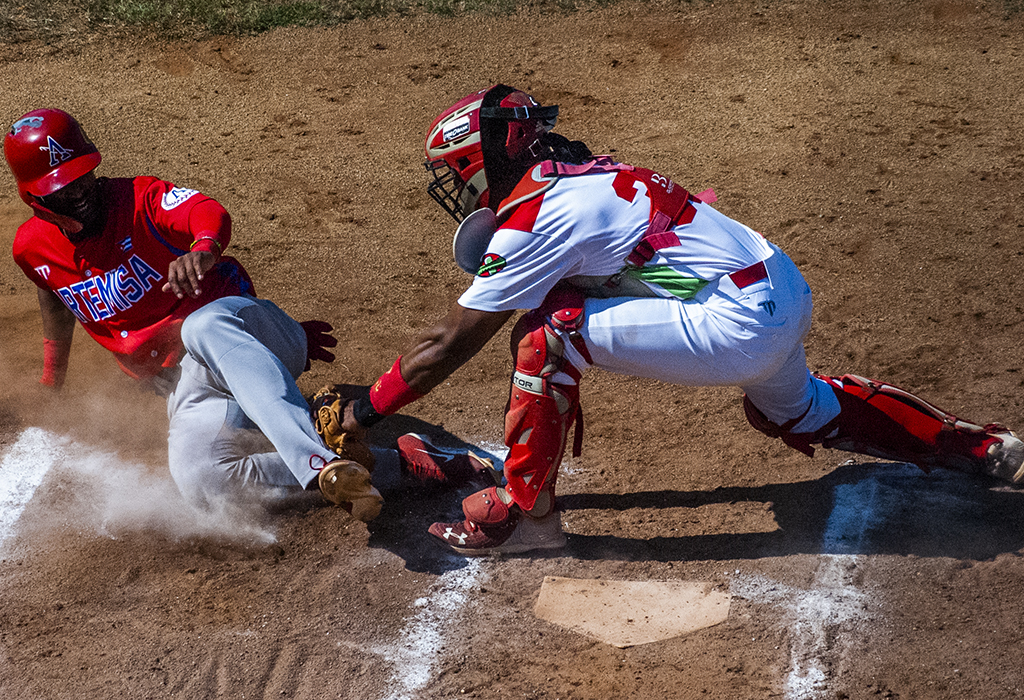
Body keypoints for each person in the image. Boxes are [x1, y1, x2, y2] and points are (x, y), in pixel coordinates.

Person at [335, 84, 1024, 555]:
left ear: (478, 159)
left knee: (546, 339)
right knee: (803, 410)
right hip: (776, 283)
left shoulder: (534, 219)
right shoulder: (582, 174)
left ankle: (527, 519)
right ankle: (980, 447)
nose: (462, 188)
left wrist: (366, 408)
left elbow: (451, 342)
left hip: (736, 321)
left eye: (460, 173)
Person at [4, 108, 488, 520]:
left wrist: (204, 248)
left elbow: (205, 212)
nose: (80, 190)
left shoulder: (141, 198)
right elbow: (53, 291)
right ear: (34, 197)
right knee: (203, 484)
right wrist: (52, 379)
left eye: (82, 174)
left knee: (200, 324)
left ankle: (313, 457)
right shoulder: (32, 249)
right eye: (63, 188)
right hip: (192, 382)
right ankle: (395, 466)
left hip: (247, 334)